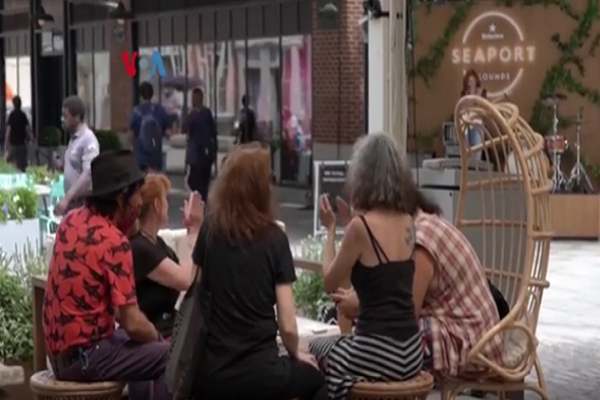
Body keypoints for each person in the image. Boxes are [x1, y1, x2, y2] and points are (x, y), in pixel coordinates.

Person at [191, 144, 326, 400]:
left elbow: (194, 288)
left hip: (211, 374)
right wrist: (295, 353)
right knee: (318, 380)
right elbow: (288, 324)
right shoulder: (275, 239)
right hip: (261, 373)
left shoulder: (210, 230)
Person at [323, 189, 505, 378]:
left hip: (472, 341)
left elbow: (405, 313)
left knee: (393, 340)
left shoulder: (420, 239)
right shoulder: (413, 229)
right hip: (456, 328)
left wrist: (361, 307)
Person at [43, 149, 170, 400]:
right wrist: (157, 338)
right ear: (121, 199)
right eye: (137, 195)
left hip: (59, 355)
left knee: (142, 347)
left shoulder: (71, 221)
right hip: (85, 358)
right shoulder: (114, 242)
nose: (139, 204)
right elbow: (132, 323)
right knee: (170, 356)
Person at [307, 133, 423, 400]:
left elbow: (329, 282)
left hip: (377, 351)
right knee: (340, 343)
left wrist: (330, 229)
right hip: (412, 351)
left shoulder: (361, 227)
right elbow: (387, 284)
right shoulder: (408, 222)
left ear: (362, 176)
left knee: (315, 348)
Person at [130, 172, 204, 337]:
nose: (168, 205)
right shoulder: (141, 248)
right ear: (157, 205)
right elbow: (185, 279)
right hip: (155, 334)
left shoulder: (157, 243)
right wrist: (194, 231)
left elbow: (187, 270)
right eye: (165, 200)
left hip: (169, 327)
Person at [55, 95, 100, 215]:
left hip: (82, 203)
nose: (62, 119)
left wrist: (67, 198)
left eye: (66, 116)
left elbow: (88, 173)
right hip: (73, 203)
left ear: (77, 117)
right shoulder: (73, 139)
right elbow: (75, 167)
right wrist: (62, 165)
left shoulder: (88, 139)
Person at [182, 88, 217, 202]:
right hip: (204, 156)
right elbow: (213, 134)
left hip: (198, 156)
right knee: (202, 184)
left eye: (193, 98)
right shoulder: (206, 113)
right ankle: (202, 202)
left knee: (196, 183)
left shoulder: (194, 115)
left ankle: (199, 203)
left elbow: (185, 128)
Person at [127, 81, 171, 171]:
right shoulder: (160, 110)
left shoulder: (136, 111)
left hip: (141, 157)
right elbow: (168, 132)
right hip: (156, 157)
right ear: (152, 94)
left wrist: (130, 149)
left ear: (140, 95)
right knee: (156, 178)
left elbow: (130, 134)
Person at [460, 69, 487, 160]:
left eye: (472, 81)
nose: (470, 83)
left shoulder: (482, 93)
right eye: (469, 81)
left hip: (477, 124)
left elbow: (482, 110)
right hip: (466, 125)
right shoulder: (464, 94)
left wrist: (477, 96)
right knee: (467, 153)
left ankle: (476, 165)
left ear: (476, 81)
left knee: (477, 151)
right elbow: (464, 109)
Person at [4, 95, 34, 172]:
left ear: (13, 104)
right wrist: (33, 139)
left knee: (7, 162)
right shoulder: (23, 115)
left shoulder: (12, 115)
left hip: (13, 145)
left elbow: (8, 130)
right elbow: (28, 129)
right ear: (20, 104)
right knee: (22, 165)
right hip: (22, 145)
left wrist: (6, 144)